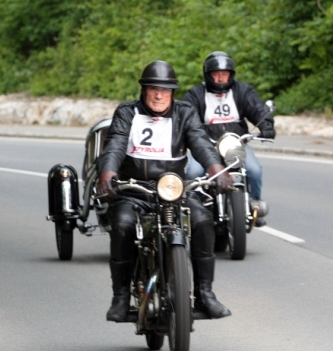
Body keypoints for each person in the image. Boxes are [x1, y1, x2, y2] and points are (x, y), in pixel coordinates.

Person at [96, 60, 233, 322]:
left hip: (174, 189)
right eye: (153, 89)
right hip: (134, 190)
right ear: (144, 90)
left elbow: (200, 142)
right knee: (123, 225)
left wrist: (217, 169)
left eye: (165, 90)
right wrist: (108, 172)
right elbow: (116, 143)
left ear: (173, 92)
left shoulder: (185, 112)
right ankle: (120, 297)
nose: (159, 95)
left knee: (203, 220)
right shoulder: (127, 112)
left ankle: (205, 293)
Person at [182, 51, 275, 227]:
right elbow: (186, 116)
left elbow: (257, 109)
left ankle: (254, 204)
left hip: (236, 144)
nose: (220, 78)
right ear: (208, 75)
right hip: (206, 146)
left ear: (230, 75)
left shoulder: (243, 91)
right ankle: (196, 207)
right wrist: (186, 134)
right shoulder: (196, 94)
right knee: (194, 173)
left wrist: (266, 125)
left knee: (254, 170)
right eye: (216, 74)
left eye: (224, 74)